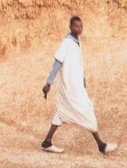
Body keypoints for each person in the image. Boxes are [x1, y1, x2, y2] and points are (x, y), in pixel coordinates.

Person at [41, 16, 117, 155]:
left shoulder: (77, 42)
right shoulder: (66, 44)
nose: (79, 29)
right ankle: (101, 145)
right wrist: (49, 83)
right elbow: (57, 63)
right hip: (70, 87)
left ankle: (47, 142)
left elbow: (77, 63)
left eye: (81, 26)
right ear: (70, 27)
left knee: (62, 112)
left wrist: (82, 79)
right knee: (86, 109)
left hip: (75, 85)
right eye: (76, 26)